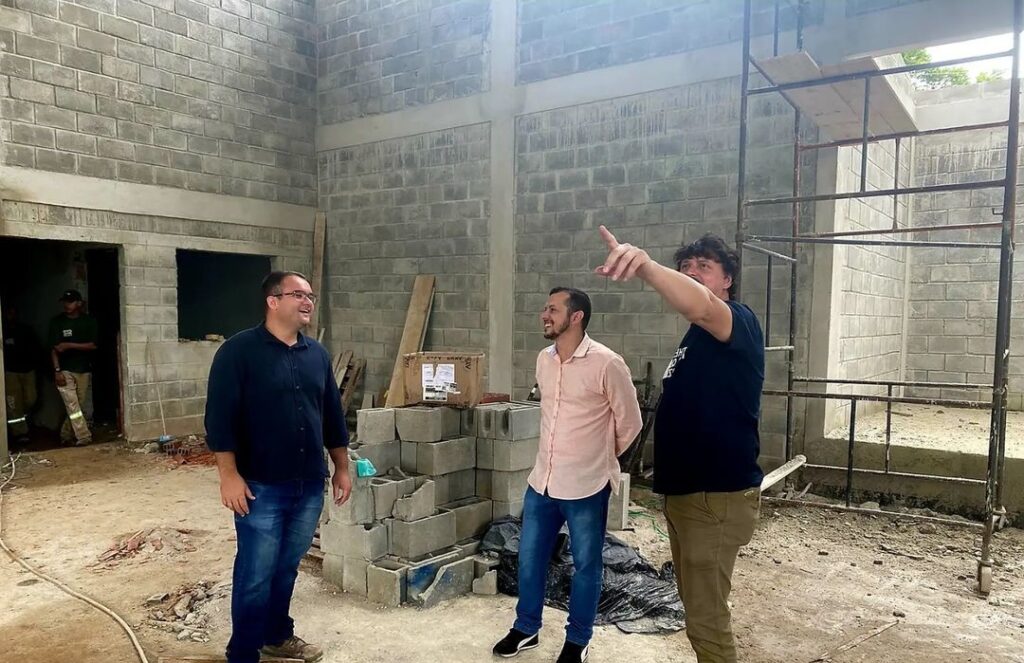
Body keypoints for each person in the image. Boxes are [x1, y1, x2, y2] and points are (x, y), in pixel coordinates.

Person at [595, 226, 764, 663]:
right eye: (686, 267)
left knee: (707, 619)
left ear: (727, 279)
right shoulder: (697, 338)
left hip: (715, 496)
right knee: (697, 608)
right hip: (690, 495)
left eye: (704, 267)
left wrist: (646, 266)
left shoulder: (737, 320)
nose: (692, 273)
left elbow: (702, 303)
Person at [205, 271, 352, 663]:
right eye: (298, 295)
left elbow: (332, 416)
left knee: (287, 567)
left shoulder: (317, 355)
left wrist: (341, 466)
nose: (308, 302)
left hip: (308, 484)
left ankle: (276, 635)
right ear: (273, 301)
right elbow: (219, 419)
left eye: (311, 296)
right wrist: (228, 475)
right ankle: (243, 652)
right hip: (260, 485)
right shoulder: (238, 352)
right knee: (255, 572)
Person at [493, 287, 642, 663]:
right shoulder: (544, 360)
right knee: (529, 558)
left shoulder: (607, 363)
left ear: (576, 317)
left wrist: (599, 458)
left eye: (553, 310)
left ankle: (578, 639)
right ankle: (526, 628)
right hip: (542, 481)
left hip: (586, 486)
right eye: (545, 308)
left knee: (586, 566)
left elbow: (631, 423)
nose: (544, 315)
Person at [49, 289, 98, 446]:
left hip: (83, 369)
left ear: (79, 303)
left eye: (70, 302)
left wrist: (69, 345)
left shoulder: (88, 321)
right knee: (72, 404)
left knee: (78, 406)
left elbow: (93, 345)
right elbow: (53, 349)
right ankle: (84, 436)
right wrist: (57, 371)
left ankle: (65, 434)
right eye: (65, 302)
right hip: (65, 369)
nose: (66, 305)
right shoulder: (57, 322)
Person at [3, 304, 40, 444]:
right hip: (10, 372)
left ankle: (23, 422)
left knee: (31, 399)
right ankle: (19, 432)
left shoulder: (26, 330)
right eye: (9, 313)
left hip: (28, 370)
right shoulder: (3, 331)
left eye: (13, 313)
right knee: (13, 403)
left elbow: (36, 348)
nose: (11, 316)